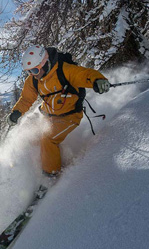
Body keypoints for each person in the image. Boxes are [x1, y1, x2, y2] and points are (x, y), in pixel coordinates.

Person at [7, 45, 110, 176]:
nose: (33, 74)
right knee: (30, 136)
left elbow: (85, 75)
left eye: (34, 70)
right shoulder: (33, 80)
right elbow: (26, 99)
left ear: (44, 63)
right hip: (48, 116)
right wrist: (17, 112)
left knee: (48, 139)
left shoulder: (63, 70)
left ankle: (50, 175)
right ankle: (38, 165)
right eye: (29, 71)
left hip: (69, 116)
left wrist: (98, 80)